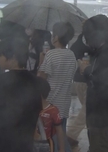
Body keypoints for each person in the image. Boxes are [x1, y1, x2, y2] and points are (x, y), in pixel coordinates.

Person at [0, 38, 43, 152]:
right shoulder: (35, 81)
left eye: (0, 55)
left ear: (13, 57)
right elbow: (38, 108)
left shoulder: (0, 80)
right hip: (25, 144)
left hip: (1, 143)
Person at [78, 15, 108, 152]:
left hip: (102, 115)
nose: (87, 40)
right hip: (96, 113)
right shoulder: (99, 51)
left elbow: (105, 80)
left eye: (88, 36)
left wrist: (86, 70)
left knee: (99, 147)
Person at [38, 22, 76, 152]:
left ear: (56, 37)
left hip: (51, 104)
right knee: (61, 134)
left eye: (53, 34)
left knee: (52, 140)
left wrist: (41, 61)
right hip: (64, 104)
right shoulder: (71, 55)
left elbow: (41, 78)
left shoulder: (51, 54)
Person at [66, 32, 91, 147]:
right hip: (85, 81)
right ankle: (71, 135)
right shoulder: (88, 45)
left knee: (88, 110)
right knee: (88, 109)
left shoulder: (76, 44)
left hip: (77, 80)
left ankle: (75, 134)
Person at [36, 78, 65, 152]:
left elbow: (59, 131)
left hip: (47, 144)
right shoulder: (29, 109)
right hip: (31, 143)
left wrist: (61, 149)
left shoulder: (53, 110)